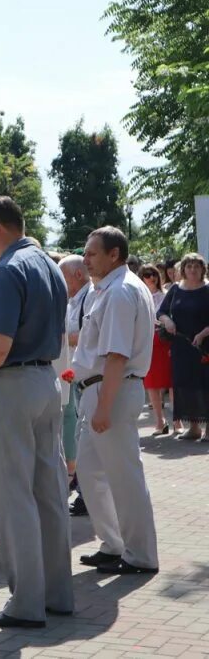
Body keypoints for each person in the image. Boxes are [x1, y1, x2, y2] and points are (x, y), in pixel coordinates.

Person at [0, 196, 72, 629]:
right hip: (45, 380)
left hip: (10, 384)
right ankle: (57, 594)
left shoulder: (7, 270)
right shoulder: (49, 265)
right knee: (49, 492)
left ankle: (25, 602)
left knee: (13, 497)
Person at [73, 227, 160, 575]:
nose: (86, 259)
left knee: (124, 476)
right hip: (101, 388)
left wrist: (104, 407)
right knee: (91, 472)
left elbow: (116, 356)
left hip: (113, 389)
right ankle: (114, 544)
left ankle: (140, 554)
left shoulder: (121, 292)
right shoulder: (108, 289)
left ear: (115, 254)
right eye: (86, 252)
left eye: (92, 253)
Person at [157, 253, 209, 442]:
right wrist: (168, 320)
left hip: (204, 346)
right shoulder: (176, 289)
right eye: (189, 266)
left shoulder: (207, 289)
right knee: (186, 385)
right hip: (181, 346)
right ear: (183, 269)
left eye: (196, 266)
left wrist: (203, 333)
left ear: (202, 269)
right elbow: (161, 311)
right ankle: (193, 427)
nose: (193, 270)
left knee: (205, 385)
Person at [58, 254, 93, 516]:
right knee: (77, 435)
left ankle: (86, 494)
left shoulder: (89, 297)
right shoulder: (74, 300)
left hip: (87, 379)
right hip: (77, 379)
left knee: (85, 437)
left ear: (77, 275)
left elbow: (87, 335)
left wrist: (61, 338)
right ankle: (83, 490)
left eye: (64, 276)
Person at [140, 265, 172, 436]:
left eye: (154, 274)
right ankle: (160, 421)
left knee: (171, 381)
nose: (151, 277)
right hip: (148, 341)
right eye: (147, 274)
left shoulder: (165, 295)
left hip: (164, 340)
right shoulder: (139, 295)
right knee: (152, 383)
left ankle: (177, 421)